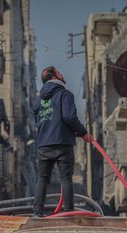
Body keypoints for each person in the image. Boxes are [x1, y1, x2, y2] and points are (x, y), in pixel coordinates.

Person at [32, 66, 92, 217]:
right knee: (66, 178)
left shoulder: (37, 101)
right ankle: (69, 212)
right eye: (59, 72)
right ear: (53, 77)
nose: (62, 74)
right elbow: (69, 117)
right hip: (62, 142)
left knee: (42, 178)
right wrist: (83, 133)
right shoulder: (65, 95)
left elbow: (38, 123)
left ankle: (37, 212)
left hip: (43, 144)